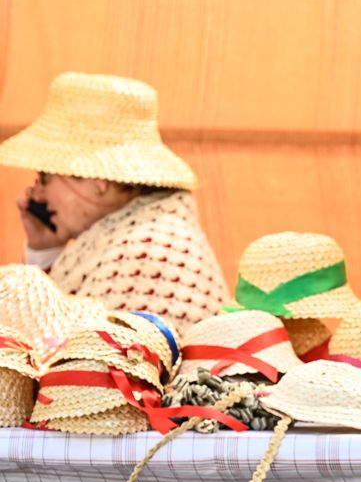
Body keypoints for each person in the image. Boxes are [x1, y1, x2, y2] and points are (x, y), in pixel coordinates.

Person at [0, 72, 228, 333]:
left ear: (97, 180)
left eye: (45, 178)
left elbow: (65, 349)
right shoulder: (129, 236)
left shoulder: (146, 251)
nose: (37, 195)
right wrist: (45, 251)